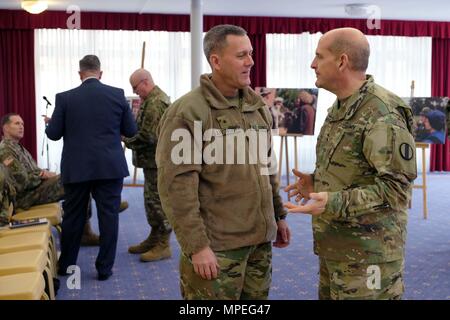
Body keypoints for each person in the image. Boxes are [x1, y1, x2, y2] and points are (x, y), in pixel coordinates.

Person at [156, 24, 291, 300]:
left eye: (251, 54)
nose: (250, 61)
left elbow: (267, 167)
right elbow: (176, 187)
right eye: (241, 55)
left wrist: (278, 216)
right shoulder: (188, 112)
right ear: (216, 61)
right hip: (217, 248)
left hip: (259, 244)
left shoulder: (256, 107)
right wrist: (196, 246)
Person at [284, 28, 417, 300]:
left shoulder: (382, 112)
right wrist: (317, 182)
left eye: (319, 57)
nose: (312, 64)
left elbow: (397, 191)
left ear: (342, 61)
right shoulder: (341, 107)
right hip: (337, 247)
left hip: (370, 254)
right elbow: (353, 169)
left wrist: (333, 202)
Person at [45, 55, 137, 280]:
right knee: (109, 216)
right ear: (100, 73)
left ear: (80, 74)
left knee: (74, 216)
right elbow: (131, 131)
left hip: (77, 169)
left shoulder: (65, 98)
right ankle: (104, 269)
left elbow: (54, 134)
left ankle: (67, 265)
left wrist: (50, 123)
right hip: (109, 166)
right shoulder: (117, 95)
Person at [0, 113, 129, 246]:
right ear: (5, 128)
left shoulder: (18, 147)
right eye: (17, 124)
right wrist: (41, 175)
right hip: (26, 197)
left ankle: (85, 230)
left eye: (22, 124)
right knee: (78, 178)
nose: (21, 127)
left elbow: (31, 172)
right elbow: (22, 182)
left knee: (80, 176)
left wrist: (42, 174)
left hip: (36, 189)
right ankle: (104, 208)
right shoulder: (6, 150)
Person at [124, 68, 172, 262]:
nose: (135, 92)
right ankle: (154, 237)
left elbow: (149, 136)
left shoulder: (154, 103)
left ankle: (164, 245)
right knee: (151, 202)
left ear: (145, 82)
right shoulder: (151, 100)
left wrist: (126, 140)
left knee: (157, 203)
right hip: (152, 162)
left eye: (136, 88)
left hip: (156, 161)